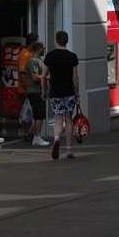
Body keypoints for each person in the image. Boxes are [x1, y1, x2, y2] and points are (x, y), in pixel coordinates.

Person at [44, 31, 79, 160]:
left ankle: (57, 139)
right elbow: (75, 77)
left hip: (55, 92)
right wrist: (77, 92)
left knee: (58, 118)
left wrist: (44, 90)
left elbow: (43, 75)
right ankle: (69, 150)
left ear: (56, 40)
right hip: (69, 92)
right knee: (69, 119)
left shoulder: (50, 56)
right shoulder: (72, 57)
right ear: (67, 41)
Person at [23, 42, 50, 147]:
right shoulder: (33, 61)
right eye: (43, 48)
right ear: (38, 49)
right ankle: (37, 137)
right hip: (34, 91)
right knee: (39, 115)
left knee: (39, 114)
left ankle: (32, 134)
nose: (44, 50)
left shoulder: (38, 60)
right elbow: (35, 77)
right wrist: (46, 77)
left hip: (39, 91)